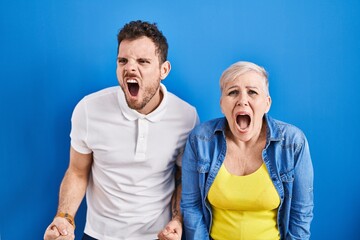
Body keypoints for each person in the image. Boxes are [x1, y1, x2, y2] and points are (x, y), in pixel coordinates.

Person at [43, 20, 199, 240]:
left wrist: (177, 220)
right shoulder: (88, 109)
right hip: (98, 235)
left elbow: (183, 177)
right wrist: (64, 218)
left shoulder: (186, 116)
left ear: (164, 69)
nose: (130, 68)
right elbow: (77, 172)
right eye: (123, 60)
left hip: (159, 236)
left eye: (143, 61)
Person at [181, 61, 314, 240]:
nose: (242, 100)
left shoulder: (292, 143)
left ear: (267, 104)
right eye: (233, 92)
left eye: (252, 92)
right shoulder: (201, 140)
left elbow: (301, 214)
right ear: (222, 104)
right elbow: (192, 205)